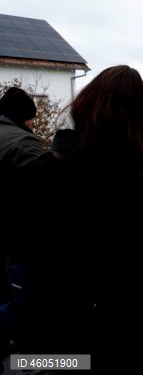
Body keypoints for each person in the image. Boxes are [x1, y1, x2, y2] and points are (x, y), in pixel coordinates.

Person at [3, 66, 143, 373]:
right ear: (128, 126)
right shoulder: (136, 186)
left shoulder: (44, 172)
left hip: (60, 349)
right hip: (129, 348)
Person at [0, 87, 44, 359]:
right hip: (14, 240)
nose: (32, 124)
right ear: (22, 117)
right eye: (31, 118)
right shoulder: (23, 144)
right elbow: (50, 193)